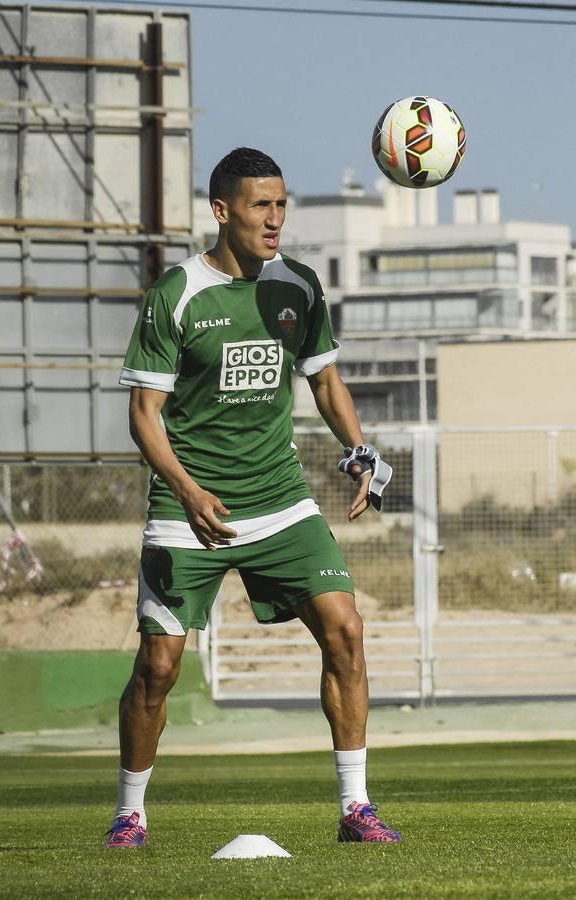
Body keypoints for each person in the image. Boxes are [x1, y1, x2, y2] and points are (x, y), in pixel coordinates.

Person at [105, 147, 401, 848]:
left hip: (282, 498)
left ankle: (356, 809)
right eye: (261, 205)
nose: (276, 218)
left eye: (281, 204)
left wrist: (359, 452)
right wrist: (186, 488)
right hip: (189, 506)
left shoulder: (297, 286)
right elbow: (144, 415)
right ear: (221, 211)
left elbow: (325, 382)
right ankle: (129, 813)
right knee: (158, 667)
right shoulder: (175, 294)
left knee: (347, 631)